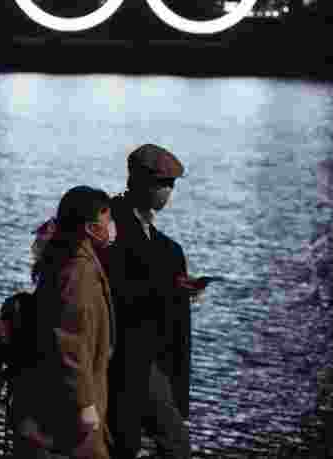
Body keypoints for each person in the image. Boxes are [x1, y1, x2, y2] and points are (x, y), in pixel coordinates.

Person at [98, 145, 210, 459]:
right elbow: (116, 289)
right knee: (154, 442)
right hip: (123, 358)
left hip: (150, 357)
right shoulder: (111, 225)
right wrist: (169, 290)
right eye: (163, 184)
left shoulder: (162, 244)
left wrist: (178, 288)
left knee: (159, 441)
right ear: (140, 182)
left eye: (171, 185)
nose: (168, 192)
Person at [11, 186, 118, 459]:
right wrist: (85, 405)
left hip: (58, 412)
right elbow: (69, 342)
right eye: (107, 219)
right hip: (67, 417)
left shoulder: (72, 261)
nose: (111, 226)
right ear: (91, 227)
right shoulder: (78, 273)